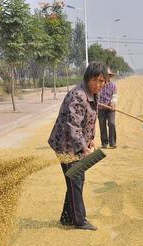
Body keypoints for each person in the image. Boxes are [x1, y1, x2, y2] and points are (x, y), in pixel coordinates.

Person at [48, 61, 108, 231]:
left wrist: (91, 139)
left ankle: (67, 217)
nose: (98, 84)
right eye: (95, 80)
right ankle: (79, 220)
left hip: (78, 144)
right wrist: (84, 148)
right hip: (65, 144)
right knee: (76, 180)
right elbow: (73, 125)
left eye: (102, 81)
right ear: (87, 78)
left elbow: (90, 119)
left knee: (76, 178)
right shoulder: (78, 95)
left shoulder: (93, 93)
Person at [98, 68, 118, 149]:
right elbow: (96, 94)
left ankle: (112, 142)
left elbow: (115, 95)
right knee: (102, 125)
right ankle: (104, 143)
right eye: (106, 75)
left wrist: (113, 102)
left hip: (110, 109)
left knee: (111, 124)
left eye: (108, 75)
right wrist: (97, 102)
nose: (107, 77)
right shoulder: (99, 84)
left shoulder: (113, 85)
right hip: (100, 108)